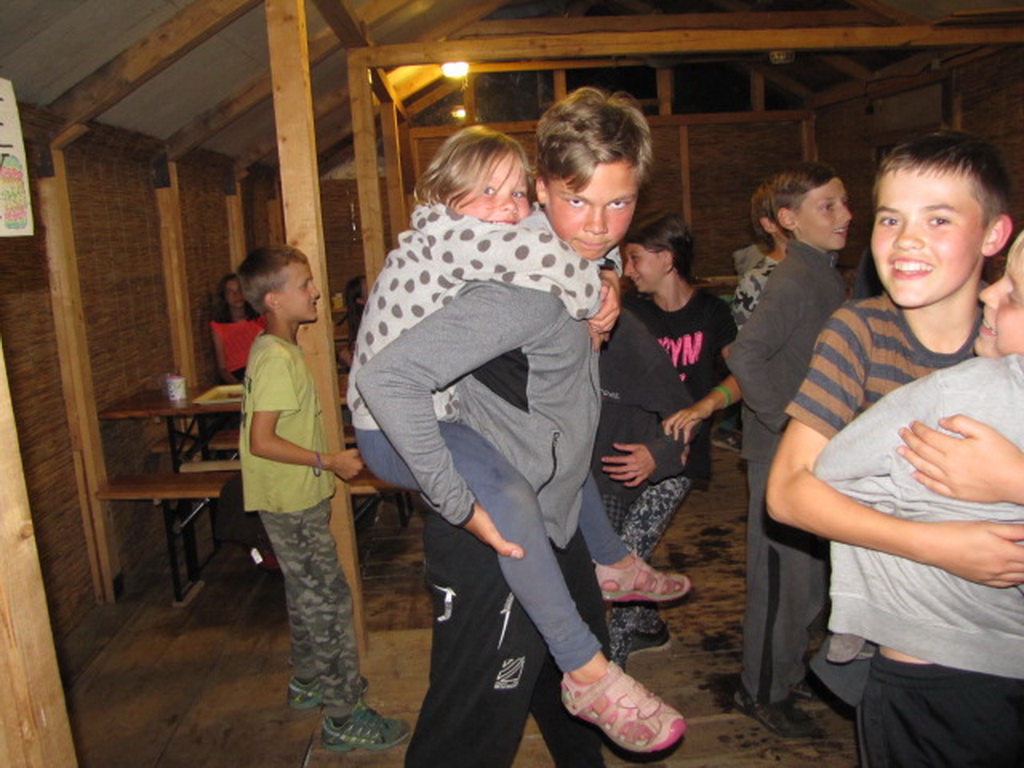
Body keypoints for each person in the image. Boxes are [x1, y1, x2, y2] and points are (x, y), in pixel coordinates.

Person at [357, 89, 686, 766]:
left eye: (619, 203)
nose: (598, 225)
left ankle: (606, 587)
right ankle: (590, 671)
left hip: (552, 515)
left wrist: (608, 278)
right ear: (545, 191)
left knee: (560, 713)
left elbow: (580, 255)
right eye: (578, 200)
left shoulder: (546, 248)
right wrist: (455, 499)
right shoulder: (516, 289)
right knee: (470, 726)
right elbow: (390, 379)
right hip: (493, 532)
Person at [766, 130, 1016, 759]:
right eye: (890, 218)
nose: (906, 240)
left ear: (993, 235)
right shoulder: (860, 332)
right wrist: (942, 547)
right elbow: (788, 492)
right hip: (915, 660)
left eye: (938, 219)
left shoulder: (1010, 337)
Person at [807, 231, 1024, 767]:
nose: (990, 293)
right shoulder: (859, 327)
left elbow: (828, 468)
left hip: (930, 668)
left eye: (1015, 293)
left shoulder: (956, 393)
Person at [236, 245, 409, 753]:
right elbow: (261, 441)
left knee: (305, 591)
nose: (316, 292)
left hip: (289, 496)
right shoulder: (276, 358)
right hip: (290, 499)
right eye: (304, 284)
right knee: (329, 601)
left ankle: (309, 679)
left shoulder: (276, 348)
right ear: (273, 299)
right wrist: (328, 461)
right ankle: (342, 715)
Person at [725, 161, 852, 737]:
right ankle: (760, 691)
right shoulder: (795, 278)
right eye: (828, 206)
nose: (845, 215)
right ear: (788, 219)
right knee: (779, 580)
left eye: (843, 202)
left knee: (807, 580)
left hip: (812, 453)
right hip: (781, 454)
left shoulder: (821, 272)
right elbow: (745, 355)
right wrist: (783, 421)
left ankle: (785, 672)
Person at [626, 213, 741, 488]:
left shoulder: (712, 312)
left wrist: (704, 407)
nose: (627, 270)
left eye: (635, 258)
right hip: (636, 449)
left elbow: (743, 377)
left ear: (667, 258)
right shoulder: (629, 311)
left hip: (687, 448)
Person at [209, 272, 265, 384]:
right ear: (224, 296)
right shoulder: (218, 326)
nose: (236, 295)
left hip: (260, 371)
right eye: (230, 292)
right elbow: (222, 369)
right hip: (235, 376)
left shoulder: (259, 320)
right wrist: (237, 385)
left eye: (240, 290)